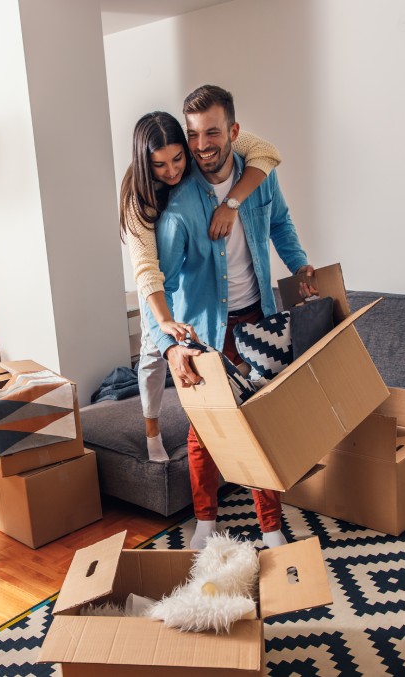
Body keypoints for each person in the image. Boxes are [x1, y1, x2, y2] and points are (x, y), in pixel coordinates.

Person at [142, 85, 315, 550]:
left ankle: (272, 527)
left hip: (261, 319)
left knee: (262, 421)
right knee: (206, 427)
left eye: (212, 132)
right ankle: (205, 521)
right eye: (193, 134)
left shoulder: (259, 178)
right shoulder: (177, 208)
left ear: (233, 133)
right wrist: (170, 346)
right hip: (205, 332)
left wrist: (299, 265)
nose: (201, 146)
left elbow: (280, 224)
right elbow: (153, 286)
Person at [120, 111, 282, 463]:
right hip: (156, 284)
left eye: (178, 158)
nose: (173, 170)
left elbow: (266, 151)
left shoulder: (200, 146)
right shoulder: (138, 199)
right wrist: (163, 322)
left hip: (189, 282)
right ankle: (152, 432)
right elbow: (147, 269)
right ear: (145, 163)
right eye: (160, 165)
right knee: (152, 353)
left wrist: (231, 204)